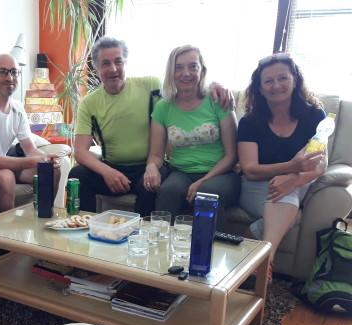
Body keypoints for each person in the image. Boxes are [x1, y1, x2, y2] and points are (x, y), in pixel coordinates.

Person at [69, 36, 234, 215]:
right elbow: (81, 152)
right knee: (77, 175)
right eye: (106, 64)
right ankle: (83, 226)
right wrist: (107, 172)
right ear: (96, 67)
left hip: (148, 165)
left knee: (150, 184)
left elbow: (185, 85)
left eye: (118, 61)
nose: (113, 69)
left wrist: (216, 86)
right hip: (113, 167)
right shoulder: (89, 103)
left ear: (126, 63)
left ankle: (142, 230)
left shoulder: (151, 86)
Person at [238, 53, 326, 269]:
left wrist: (293, 179)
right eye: (268, 81)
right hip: (257, 186)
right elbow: (250, 170)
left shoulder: (315, 116)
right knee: (286, 199)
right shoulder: (249, 122)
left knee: (287, 194)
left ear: (295, 80)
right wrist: (291, 167)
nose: (276, 85)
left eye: (283, 78)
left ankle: (264, 258)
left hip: (300, 183)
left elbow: (320, 164)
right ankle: (264, 256)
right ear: (260, 89)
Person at [144, 45, 239, 226]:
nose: (186, 73)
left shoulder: (218, 100)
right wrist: (151, 167)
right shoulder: (163, 107)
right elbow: (155, 155)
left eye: (193, 66)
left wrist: (204, 180)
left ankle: (210, 244)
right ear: (171, 72)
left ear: (202, 71)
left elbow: (232, 156)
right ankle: (161, 241)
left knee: (207, 195)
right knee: (168, 191)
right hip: (181, 172)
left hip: (221, 174)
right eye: (178, 67)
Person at [0, 53, 61, 211]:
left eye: (14, 72)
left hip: (4, 163)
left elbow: (30, 149)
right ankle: (5, 228)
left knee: (51, 170)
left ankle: (43, 217)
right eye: (3, 72)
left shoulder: (17, 107)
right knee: (6, 177)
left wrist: (46, 159)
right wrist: (33, 161)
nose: (10, 78)